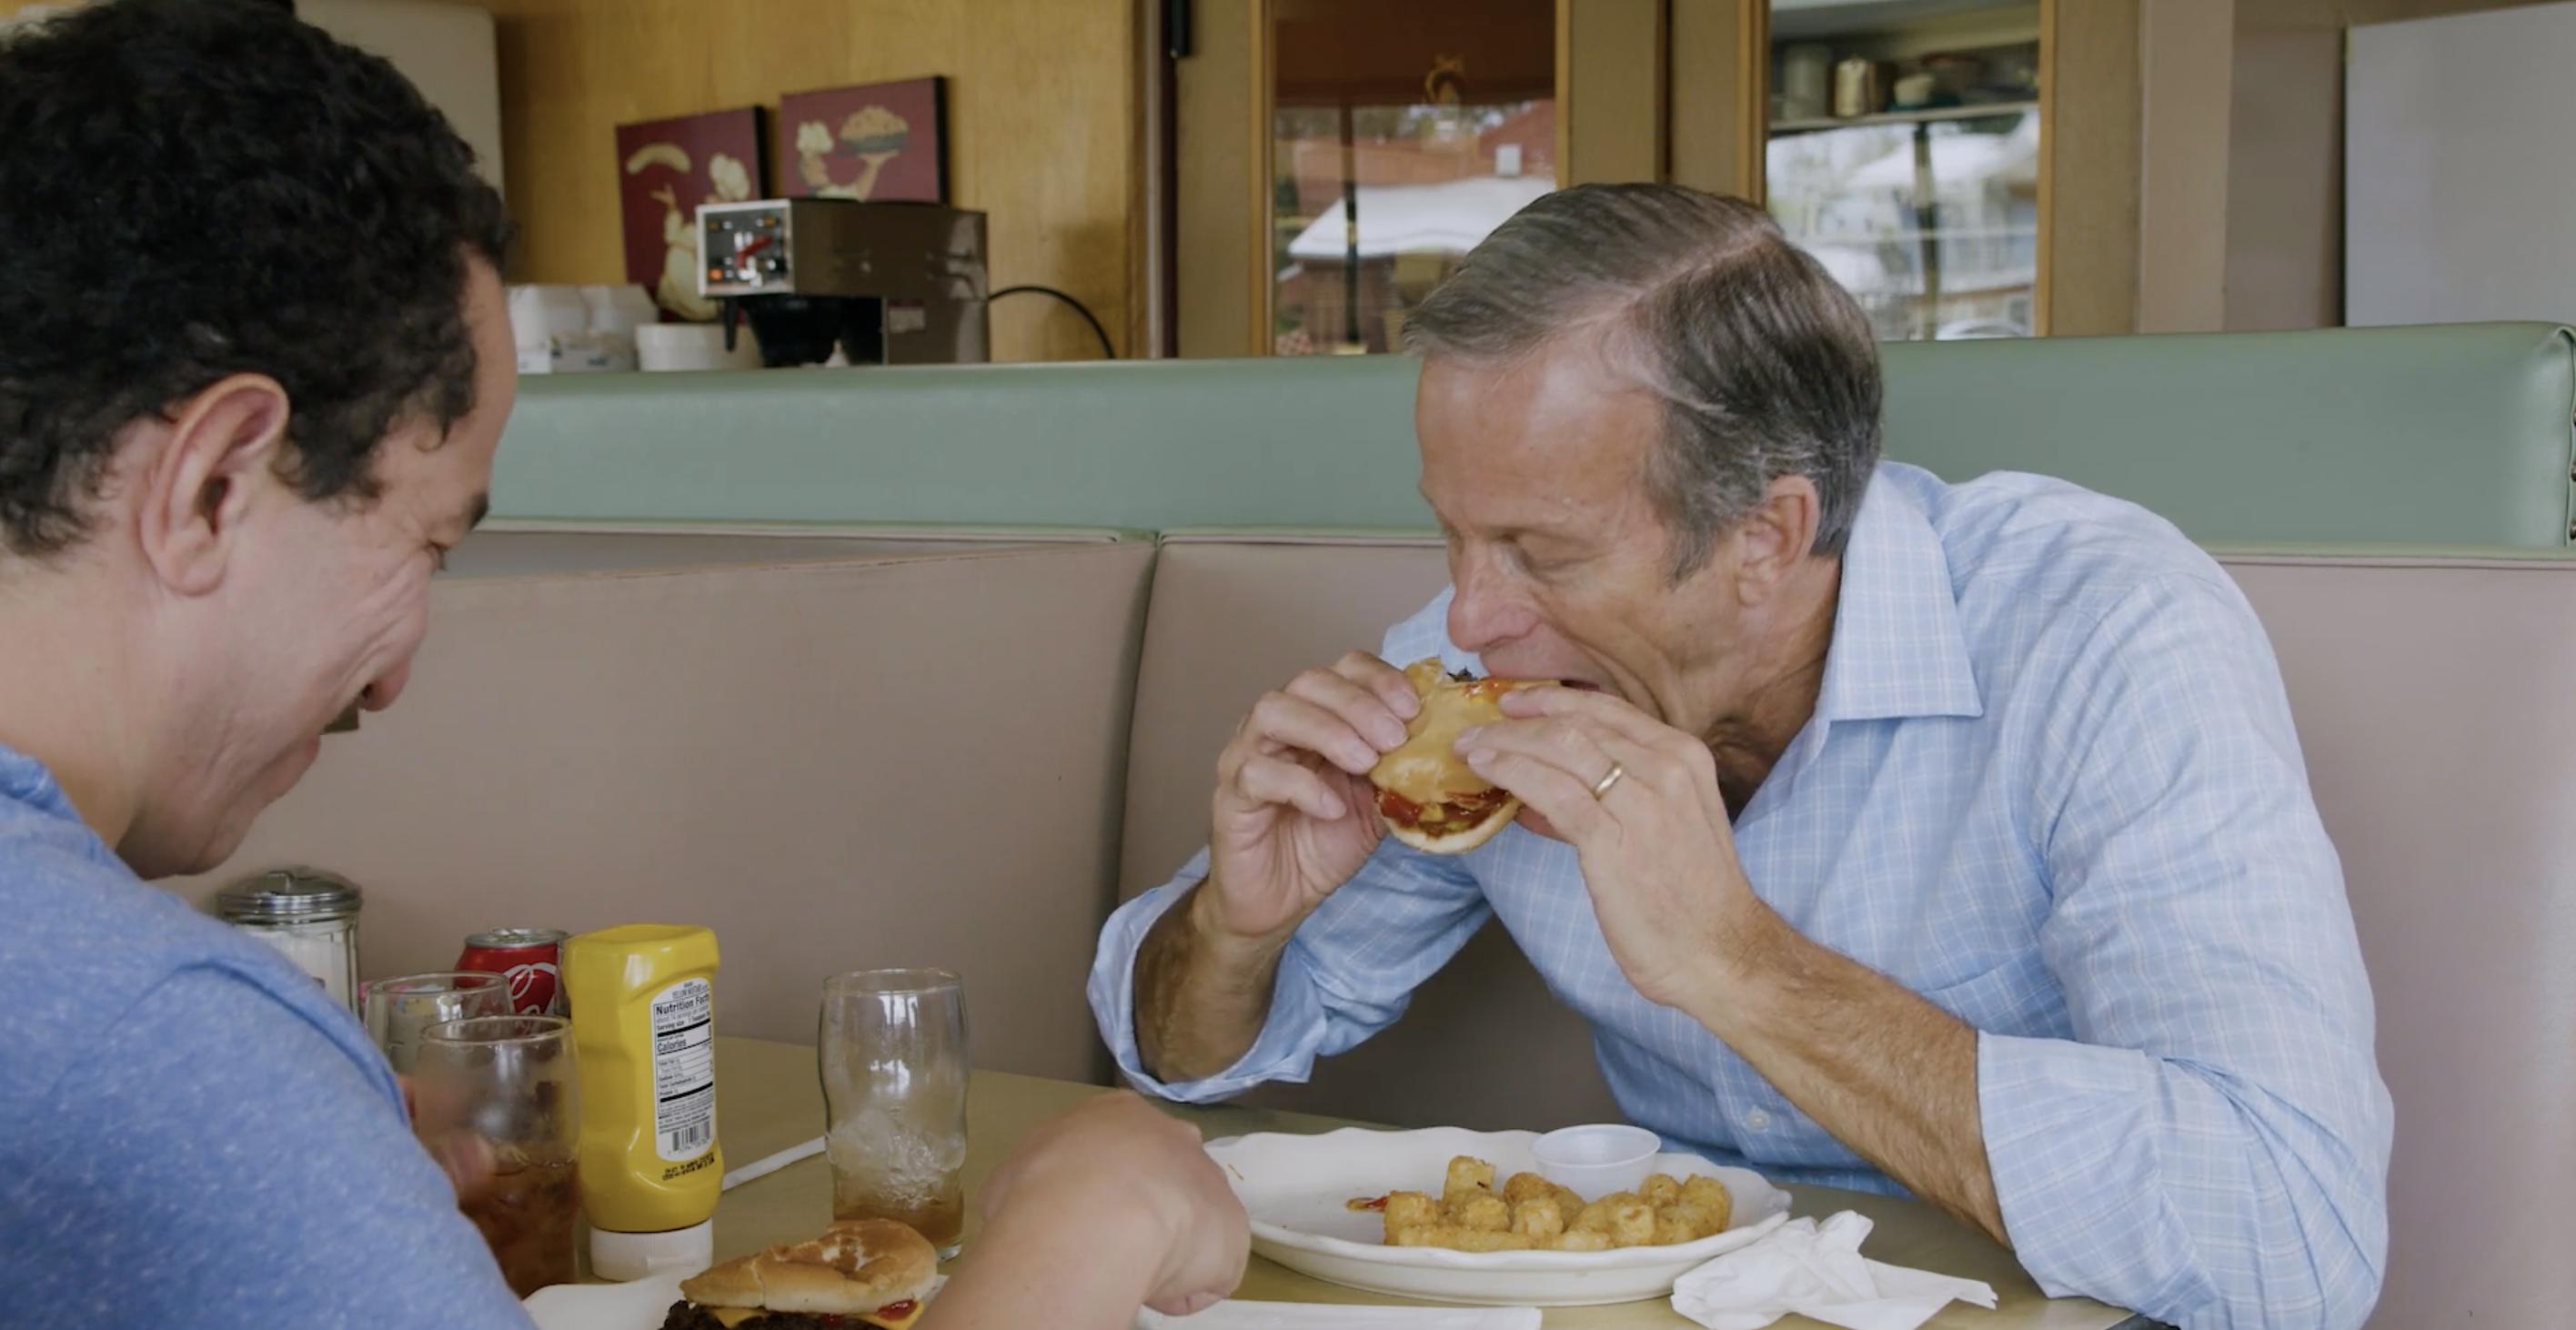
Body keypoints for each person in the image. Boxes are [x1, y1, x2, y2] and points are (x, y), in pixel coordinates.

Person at [0, 5, 1243, 1325]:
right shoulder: (164, 1042)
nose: (393, 682)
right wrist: (1087, 1227)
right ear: (211, 487)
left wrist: (324, 1194)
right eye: (424, 545)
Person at [1093, 183, 2392, 1330]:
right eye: (1452, 536)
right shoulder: (1490, 672)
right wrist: (1233, 926)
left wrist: (1736, 960)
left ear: (1766, 536)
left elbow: (2290, 1241)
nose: (1470, 615)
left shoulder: (2101, 635)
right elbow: (1189, 1057)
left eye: (1540, 554)